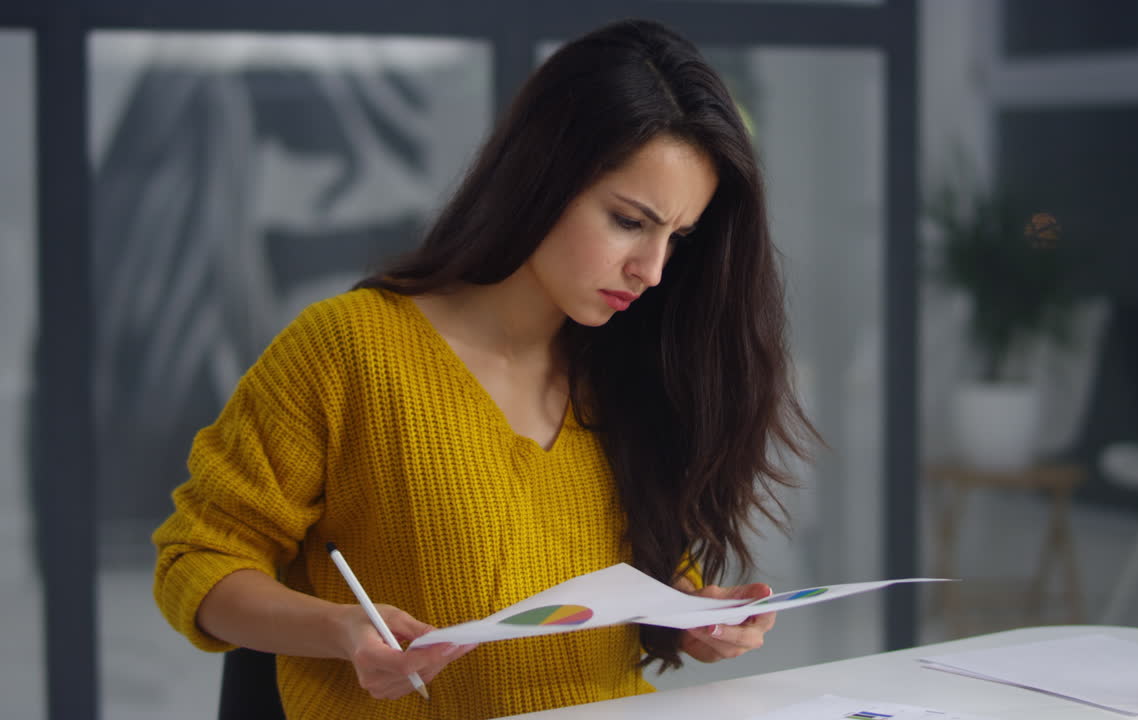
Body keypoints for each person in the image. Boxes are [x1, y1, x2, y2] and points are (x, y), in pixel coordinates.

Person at [153, 17, 816, 720]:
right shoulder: (348, 351)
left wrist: (687, 607)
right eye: (628, 221)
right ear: (543, 178)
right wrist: (342, 630)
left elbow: (594, 555)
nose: (651, 270)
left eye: (676, 237)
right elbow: (196, 560)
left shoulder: (627, 370)